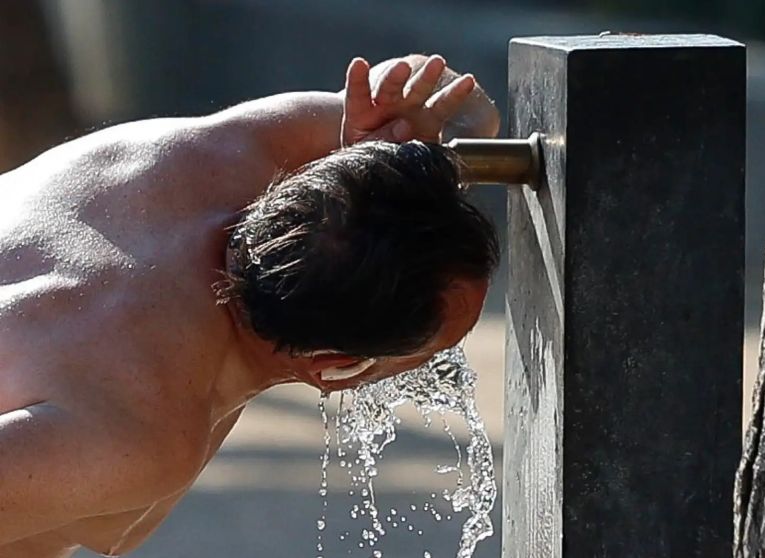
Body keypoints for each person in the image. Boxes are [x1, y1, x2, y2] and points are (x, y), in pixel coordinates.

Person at [0, 54, 500, 558]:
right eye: (439, 348)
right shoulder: (141, 425)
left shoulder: (254, 148)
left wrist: (411, 138)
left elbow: (463, 103)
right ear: (337, 365)